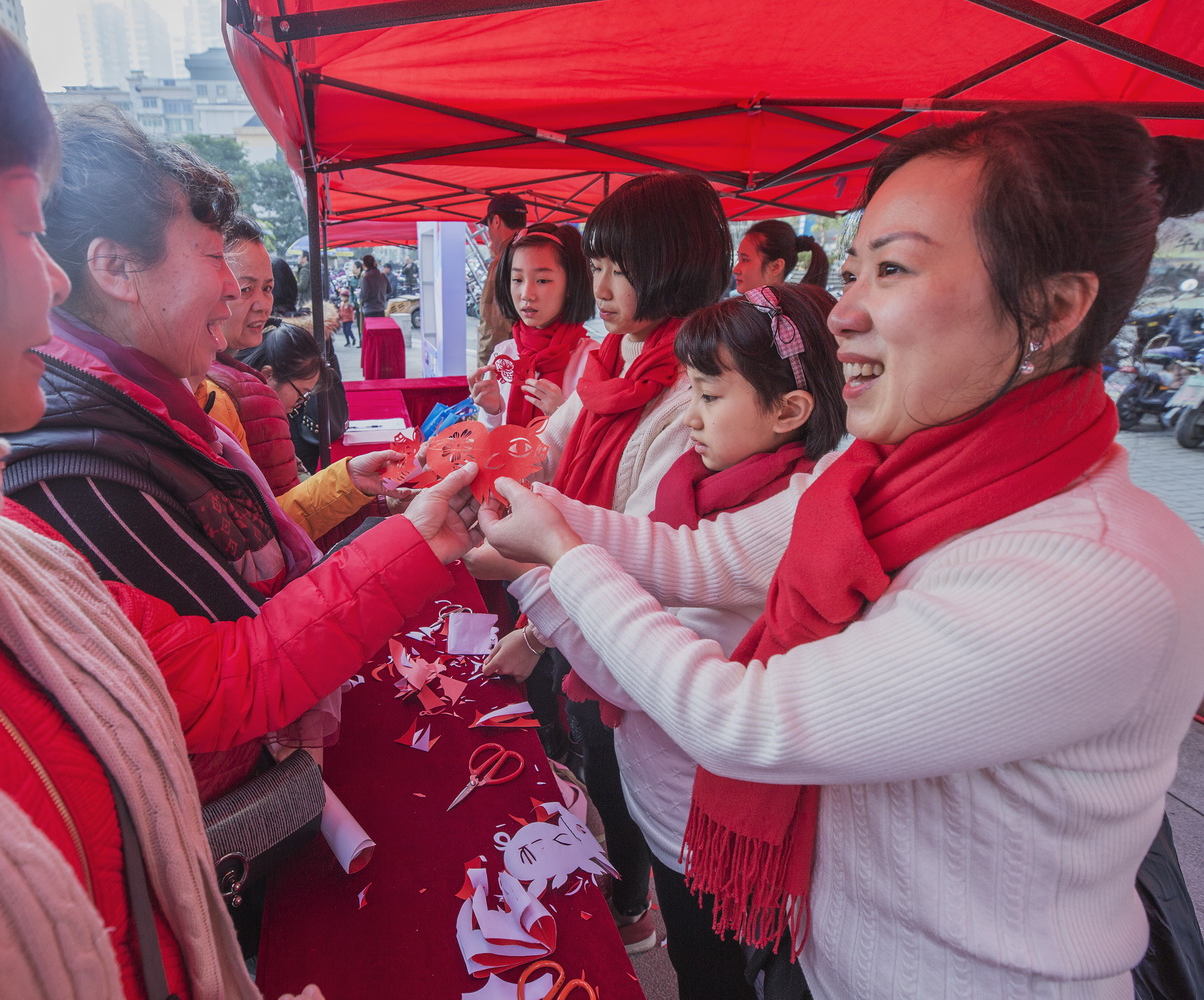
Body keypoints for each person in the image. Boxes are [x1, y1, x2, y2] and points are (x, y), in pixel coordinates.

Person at [0, 1, 482, 997]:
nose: (46, 280)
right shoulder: (58, 466)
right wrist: (421, 535)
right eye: (17, 223)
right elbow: (235, 672)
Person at [479, 106, 1204, 998]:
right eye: (853, 268)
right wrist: (538, 510)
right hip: (823, 952)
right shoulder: (866, 478)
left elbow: (743, 722)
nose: (844, 313)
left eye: (891, 270)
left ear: (1050, 309)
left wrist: (558, 556)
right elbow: (701, 558)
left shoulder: (1091, 572)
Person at [2, 104, 476, 804]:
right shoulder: (79, 460)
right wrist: (415, 538)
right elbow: (232, 674)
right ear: (116, 268)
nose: (234, 292)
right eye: (210, 258)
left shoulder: (148, 405)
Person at [488, 284, 844, 998]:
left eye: (709, 397)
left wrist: (532, 572)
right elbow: (662, 545)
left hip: (706, 819)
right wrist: (538, 521)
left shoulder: (790, 517)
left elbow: (635, 673)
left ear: (789, 411)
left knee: (712, 972)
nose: (690, 416)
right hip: (662, 794)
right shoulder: (697, 483)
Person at [479, 171, 731, 955]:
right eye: (602, 265)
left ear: (672, 264)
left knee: (687, 876)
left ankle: (637, 905)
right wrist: (479, 471)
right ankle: (632, 888)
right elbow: (547, 451)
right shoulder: (611, 360)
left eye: (618, 267)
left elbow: (643, 553)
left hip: (642, 642)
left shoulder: (695, 387)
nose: (605, 285)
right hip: (585, 621)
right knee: (598, 751)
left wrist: (523, 580)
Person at [195, 222, 395, 541]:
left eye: (268, 288)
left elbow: (277, 516)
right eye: (245, 289)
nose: (262, 303)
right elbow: (273, 531)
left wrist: (355, 485)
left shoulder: (228, 380)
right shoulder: (229, 392)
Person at [468, 222, 597, 429]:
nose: (526, 294)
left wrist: (562, 417)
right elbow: (490, 444)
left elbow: (599, 449)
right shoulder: (504, 354)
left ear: (571, 285)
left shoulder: (593, 360)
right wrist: (492, 411)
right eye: (517, 279)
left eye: (543, 280)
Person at [476, 192, 529, 364]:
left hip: (506, 366)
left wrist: (485, 370)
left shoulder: (502, 263)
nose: (489, 232)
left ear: (496, 220)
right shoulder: (538, 254)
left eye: (489, 225)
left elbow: (494, 328)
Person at [732, 219, 830, 294]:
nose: (735, 270)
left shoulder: (779, 317)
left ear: (776, 267)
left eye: (745, 260)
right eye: (739, 259)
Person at [358, 253, 388, 320]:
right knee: (380, 330)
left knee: (371, 330)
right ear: (374, 263)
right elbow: (389, 290)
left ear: (364, 265)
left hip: (369, 310)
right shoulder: (383, 275)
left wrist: (359, 295)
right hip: (381, 309)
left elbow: (364, 296)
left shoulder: (366, 278)